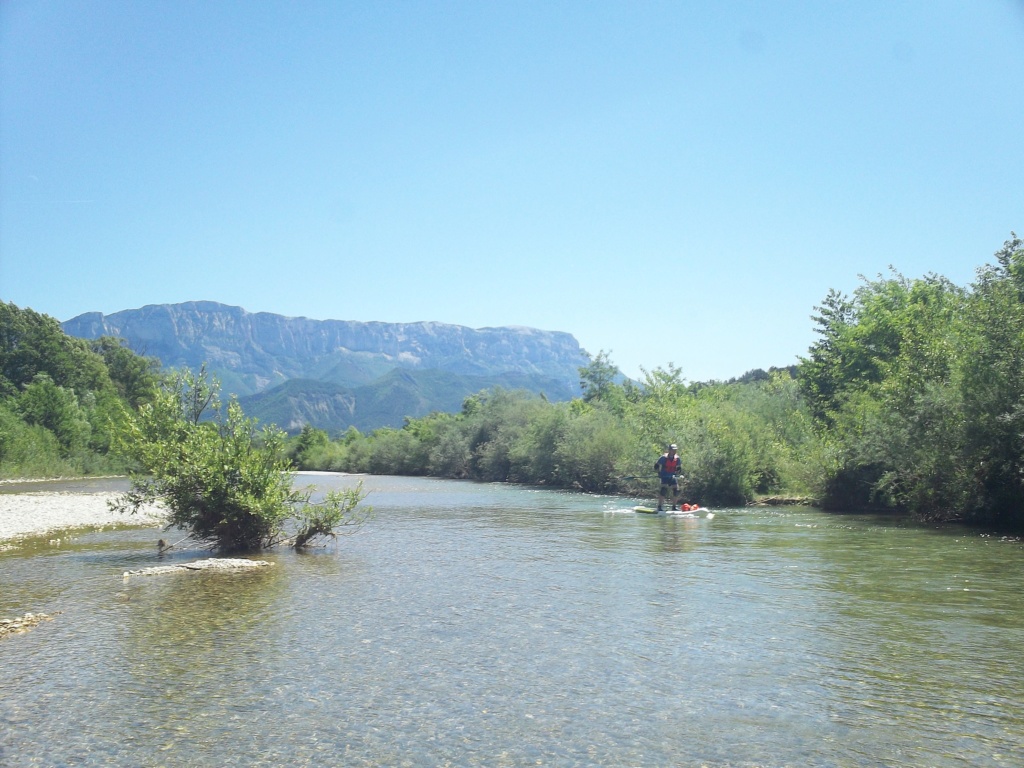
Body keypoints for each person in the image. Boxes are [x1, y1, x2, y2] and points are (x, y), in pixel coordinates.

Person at [654, 443, 682, 511]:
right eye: (673, 450)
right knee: (663, 490)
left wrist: (677, 474)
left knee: (676, 490)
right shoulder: (663, 458)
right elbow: (656, 466)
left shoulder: (677, 459)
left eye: (675, 450)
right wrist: (659, 473)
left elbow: (678, 468)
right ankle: (659, 506)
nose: (674, 451)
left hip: (672, 476)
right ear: (669, 450)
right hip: (664, 475)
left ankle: (674, 507)